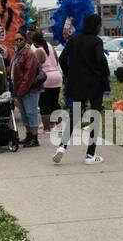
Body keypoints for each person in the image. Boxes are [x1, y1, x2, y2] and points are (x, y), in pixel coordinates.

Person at [52, 13, 109, 165]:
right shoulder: (96, 41)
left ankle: (61, 147)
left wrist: (69, 73)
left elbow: (63, 58)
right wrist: (105, 73)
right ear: (96, 26)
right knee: (95, 116)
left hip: (76, 83)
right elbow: (101, 59)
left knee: (74, 116)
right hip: (95, 84)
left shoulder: (74, 39)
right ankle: (90, 155)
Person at [10, 31, 44, 146]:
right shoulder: (17, 53)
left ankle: (34, 138)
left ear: (25, 40)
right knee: (24, 114)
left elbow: (28, 75)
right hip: (20, 90)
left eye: (21, 39)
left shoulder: (28, 53)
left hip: (30, 90)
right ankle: (28, 136)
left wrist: (21, 91)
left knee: (31, 113)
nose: (19, 41)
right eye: (17, 39)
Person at [32, 30, 61, 135]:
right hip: (57, 76)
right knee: (55, 103)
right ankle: (58, 126)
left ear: (35, 42)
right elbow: (57, 61)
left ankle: (47, 128)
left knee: (44, 104)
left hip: (46, 78)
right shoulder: (51, 48)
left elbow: (35, 66)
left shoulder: (38, 51)